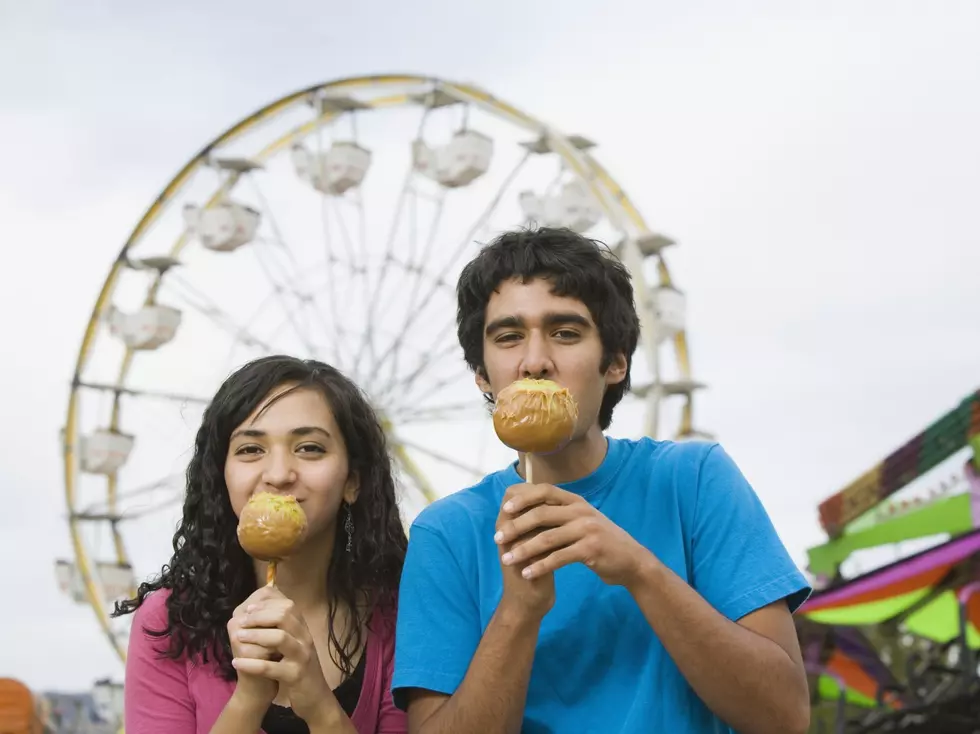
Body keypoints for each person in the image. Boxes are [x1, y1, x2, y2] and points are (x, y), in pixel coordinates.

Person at [392, 227, 813, 734]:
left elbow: (785, 716)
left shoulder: (693, 479)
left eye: (565, 333)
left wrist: (638, 569)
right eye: (508, 338)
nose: (534, 362)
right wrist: (519, 613)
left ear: (615, 363)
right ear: (483, 375)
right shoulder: (448, 532)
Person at [116, 355, 408, 734]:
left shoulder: (402, 615)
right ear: (220, 475)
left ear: (352, 480)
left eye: (309, 449)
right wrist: (249, 697)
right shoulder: (167, 623)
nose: (278, 475)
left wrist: (319, 704)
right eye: (251, 450)